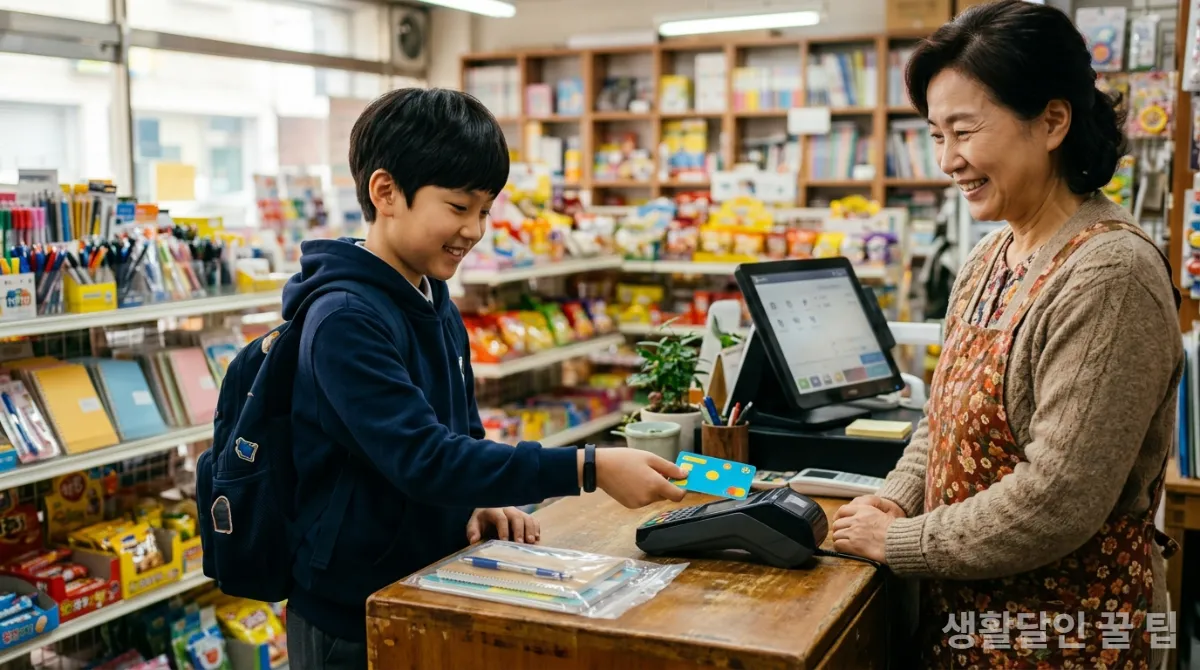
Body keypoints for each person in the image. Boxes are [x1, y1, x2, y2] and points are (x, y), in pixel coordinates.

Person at [280, 88, 688, 670]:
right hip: (352, 612)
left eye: (486, 210)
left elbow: (460, 437)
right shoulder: (345, 318)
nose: (475, 229)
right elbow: (423, 458)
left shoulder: (430, 295)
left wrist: (476, 502)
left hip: (428, 582)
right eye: (458, 207)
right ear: (385, 192)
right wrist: (589, 467)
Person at [830, 2, 1183, 667]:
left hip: (1069, 638)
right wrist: (892, 499)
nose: (948, 160)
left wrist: (900, 541)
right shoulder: (989, 257)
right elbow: (942, 422)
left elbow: (1057, 500)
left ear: (1052, 122)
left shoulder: (1112, 275)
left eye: (964, 130)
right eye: (936, 134)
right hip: (971, 626)